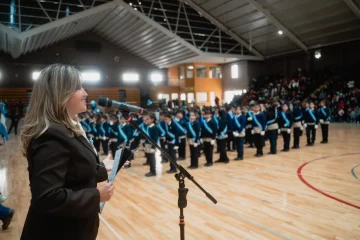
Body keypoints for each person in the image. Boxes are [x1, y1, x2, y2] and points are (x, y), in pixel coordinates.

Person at [20, 64, 114, 240]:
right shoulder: (51, 136)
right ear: (60, 94)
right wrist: (96, 196)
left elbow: (75, 171)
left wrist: (104, 167)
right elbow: (47, 197)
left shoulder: (66, 129)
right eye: (79, 88)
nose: (85, 93)